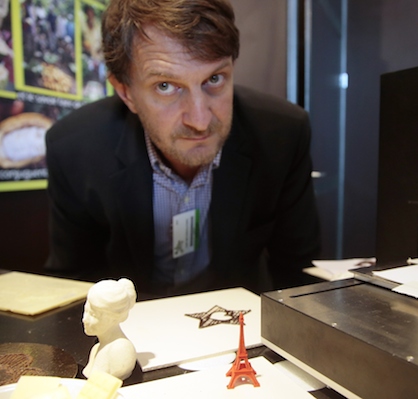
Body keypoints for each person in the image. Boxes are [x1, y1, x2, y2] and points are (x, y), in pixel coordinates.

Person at [44, 0, 321, 296]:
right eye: (165, 86)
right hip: (134, 330)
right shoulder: (75, 149)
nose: (200, 121)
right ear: (126, 92)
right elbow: (73, 287)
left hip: (240, 328)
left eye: (214, 79)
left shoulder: (281, 135)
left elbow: (299, 275)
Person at [82, 278, 137, 380]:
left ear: (114, 318)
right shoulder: (97, 348)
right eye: (86, 311)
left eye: (93, 315)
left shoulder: (121, 351)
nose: (85, 319)